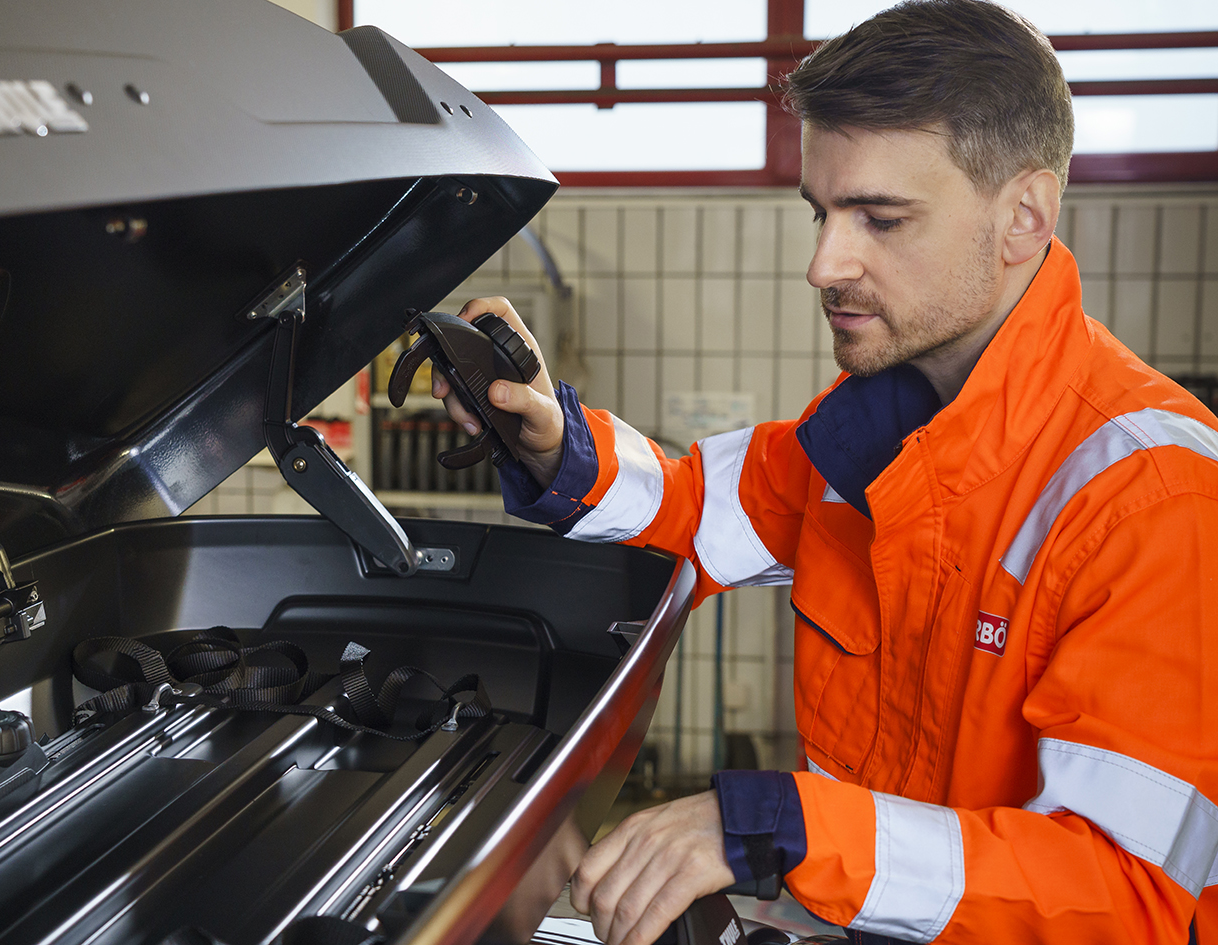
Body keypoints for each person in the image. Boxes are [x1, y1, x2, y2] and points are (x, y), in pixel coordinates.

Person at [435, 0, 1218, 941]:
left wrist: (786, 825)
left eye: (879, 219)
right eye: (821, 212)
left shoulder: (1153, 495)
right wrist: (552, 442)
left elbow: (1124, 894)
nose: (822, 264)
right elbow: (693, 506)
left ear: (1023, 215)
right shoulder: (874, 431)